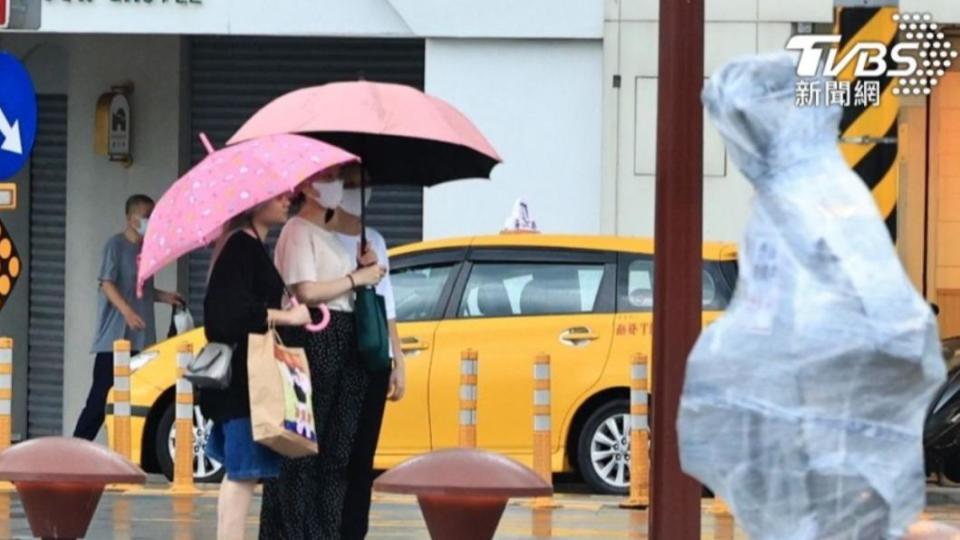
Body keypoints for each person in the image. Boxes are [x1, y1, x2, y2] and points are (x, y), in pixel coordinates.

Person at [260, 167, 385, 540]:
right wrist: (355, 279)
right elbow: (306, 291)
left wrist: (362, 268)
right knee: (302, 449)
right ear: (310, 187)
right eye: (332, 178)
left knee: (338, 452)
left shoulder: (335, 234)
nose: (339, 188)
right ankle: (295, 531)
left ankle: (327, 530)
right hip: (314, 336)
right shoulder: (297, 230)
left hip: (348, 338)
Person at [200, 194, 312, 540]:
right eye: (277, 196)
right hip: (245, 384)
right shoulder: (242, 247)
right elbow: (228, 315)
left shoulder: (245, 245)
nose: (287, 200)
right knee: (243, 477)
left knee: (239, 476)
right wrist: (287, 315)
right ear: (254, 203)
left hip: (244, 381)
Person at [326, 165, 406, 539]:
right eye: (354, 185)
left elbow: (387, 305)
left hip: (372, 356)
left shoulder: (373, 237)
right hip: (334, 354)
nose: (362, 192)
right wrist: (355, 273)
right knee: (333, 455)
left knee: (362, 457)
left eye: (367, 184)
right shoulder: (319, 236)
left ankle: (354, 532)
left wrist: (398, 361)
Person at [74, 194, 184, 441]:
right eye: (146, 216)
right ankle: (76, 448)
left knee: (133, 400)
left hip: (141, 340)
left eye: (152, 216)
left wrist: (165, 296)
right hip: (115, 339)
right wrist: (127, 312)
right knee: (100, 399)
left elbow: (140, 290)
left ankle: (123, 453)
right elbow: (107, 283)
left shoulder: (145, 251)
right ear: (130, 218)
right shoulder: (115, 245)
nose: (149, 221)